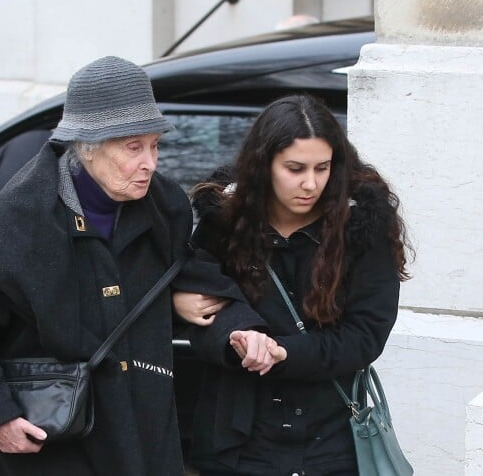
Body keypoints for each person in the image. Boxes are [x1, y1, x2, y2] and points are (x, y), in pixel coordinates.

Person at [0, 55, 241, 476]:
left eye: (155, 145)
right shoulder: (20, 217)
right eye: (134, 147)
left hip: (144, 429)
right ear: (87, 146)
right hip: (55, 440)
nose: (150, 162)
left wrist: (239, 325)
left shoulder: (163, 204)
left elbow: (186, 272)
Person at [173, 94, 412, 476]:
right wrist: (223, 328)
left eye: (323, 168)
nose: (310, 183)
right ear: (264, 164)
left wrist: (283, 352)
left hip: (331, 440)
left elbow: (366, 335)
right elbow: (206, 308)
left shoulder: (363, 227)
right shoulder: (223, 222)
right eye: (295, 168)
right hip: (238, 438)